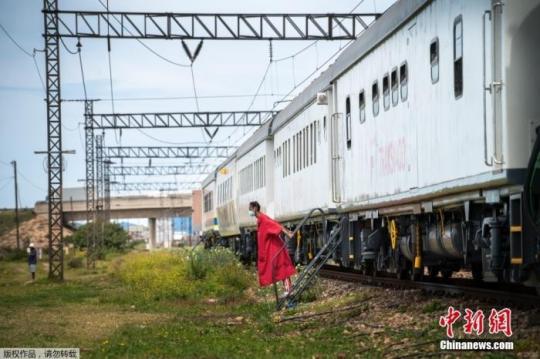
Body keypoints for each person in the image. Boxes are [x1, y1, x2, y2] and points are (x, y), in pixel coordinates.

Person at [249, 201, 296, 296]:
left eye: (250, 209)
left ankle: (289, 290)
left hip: (274, 248)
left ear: (254, 208)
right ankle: (287, 289)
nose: (249, 211)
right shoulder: (261, 219)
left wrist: (288, 233)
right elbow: (274, 223)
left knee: (282, 269)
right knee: (279, 269)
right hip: (271, 249)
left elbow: (276, 225)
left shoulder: (263, 220)